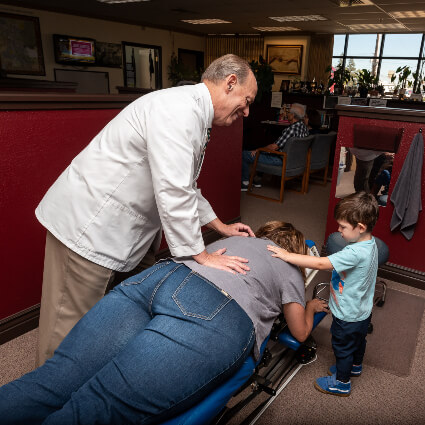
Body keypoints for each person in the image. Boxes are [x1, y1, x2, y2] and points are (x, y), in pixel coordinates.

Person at [34, 54, 259, 366]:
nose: (246, 111)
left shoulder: (193, 113)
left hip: (122, 230)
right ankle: (46, 402)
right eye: (246, 100)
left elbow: (186, 185)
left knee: (122, 310)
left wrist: (219, 226)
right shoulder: (178, 111)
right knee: (65, 334)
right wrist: (201, 254)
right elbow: (174, 190)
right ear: (230, 83)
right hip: (88, 225)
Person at [0, 222, 328, 424]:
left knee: (50, 383)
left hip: (159, 277)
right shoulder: (288, 267)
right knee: (94, 408)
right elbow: (299, 331)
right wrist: (311, 304)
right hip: (213, 311)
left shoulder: (236, 242)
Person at [268, 192, 379, 397]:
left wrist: (287, 255)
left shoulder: (353, 253)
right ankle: (355, 366)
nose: (339, 231)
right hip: (363, 312)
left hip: (347, 315)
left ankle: (341, 383)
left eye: (343, 227)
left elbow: (321, 263)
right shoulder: (370, 243)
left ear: (361, 227)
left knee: (342, 347)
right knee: (359, 341)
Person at [241, 103, 309, 190]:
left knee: (245, 154)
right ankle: (257, 180)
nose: (287, 114)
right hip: (295, 161)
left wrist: (258, 150)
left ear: (292, 115)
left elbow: (274, 147)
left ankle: (245, 183)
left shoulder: (291, 130)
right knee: (265, 152)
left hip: (281, 160)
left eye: (289, 112)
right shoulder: (304, 128)